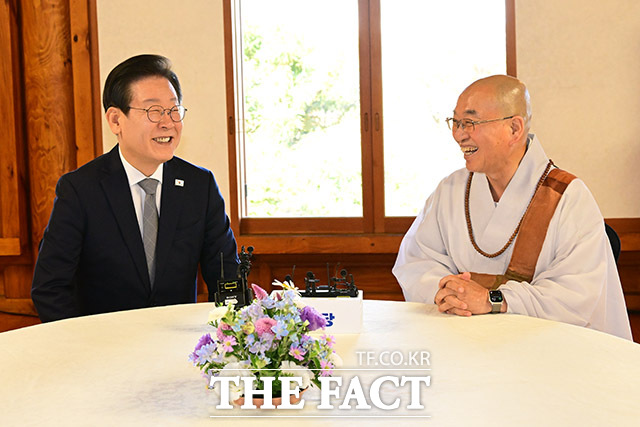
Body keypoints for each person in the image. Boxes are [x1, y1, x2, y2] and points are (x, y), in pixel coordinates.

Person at [393, 75, 632, 340]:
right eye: (456, 122)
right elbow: (417, 261)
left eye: (470, 122)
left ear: (515, 129)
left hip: (547, 348)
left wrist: (491, 300)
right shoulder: (450, 190)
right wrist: (450, 293)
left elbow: (574, 295)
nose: (459, 134)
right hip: (462, 339)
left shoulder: (567, 197)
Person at [31, 54, 239, 322]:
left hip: (178, 348)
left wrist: (226, 336)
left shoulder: (200, 187)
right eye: (153, 111)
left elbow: (227, 278)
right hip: (104, 348)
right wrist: (82, 349)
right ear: (116, 120)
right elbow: (49, 288)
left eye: (174, 110)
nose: (168, 122)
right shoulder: (81, 190)